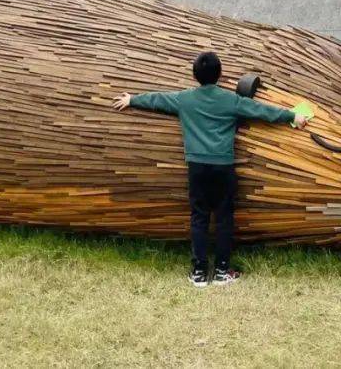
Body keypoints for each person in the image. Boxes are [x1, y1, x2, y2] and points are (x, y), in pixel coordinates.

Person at [113, 51, 309, 287]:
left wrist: (133, 99)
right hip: (223, 167)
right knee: (224, 218)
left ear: (195, 75)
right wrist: (293, 115)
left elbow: (158, 100)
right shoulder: (230, 100)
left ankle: (198, 273)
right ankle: (222, 271)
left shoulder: (184, 99)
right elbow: (261, 111)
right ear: (220, 74)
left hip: (197, 168)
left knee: (199, 217)